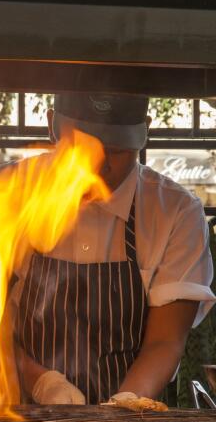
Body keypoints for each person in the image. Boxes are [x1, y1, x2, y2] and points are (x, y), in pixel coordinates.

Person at [11, 92, 215, 406]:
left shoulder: (175, 211)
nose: (99, 166)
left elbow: (165, 341)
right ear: (52, 125)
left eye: (118, 150)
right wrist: (42, 382)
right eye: (81, 150)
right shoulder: (1, 197)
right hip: (17, 420)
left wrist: (122, 408)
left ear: (145, 131)